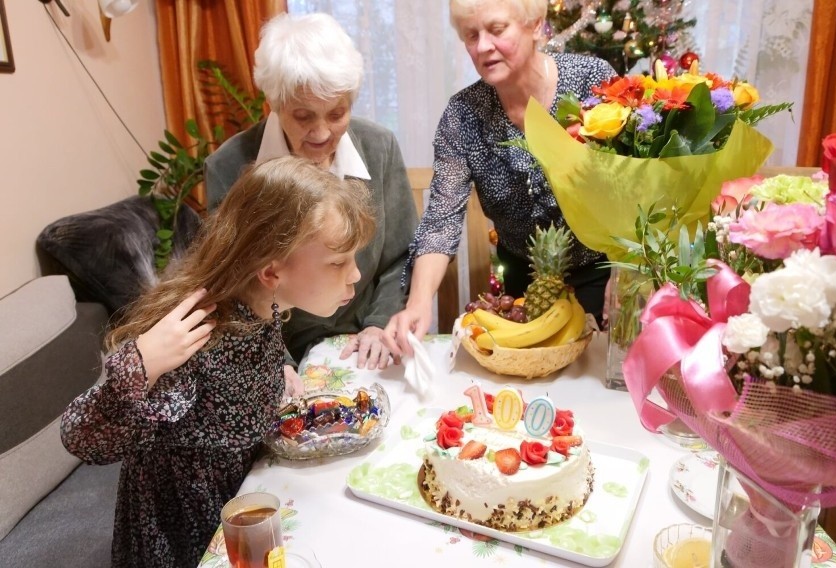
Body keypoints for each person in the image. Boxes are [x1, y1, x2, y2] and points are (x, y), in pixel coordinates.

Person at [60, 156, 375, 568]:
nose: (355, 275)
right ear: (270, 271)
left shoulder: (262, 307)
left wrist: (274, 371)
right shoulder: (199, 338)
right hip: (189, 535)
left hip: (247, 494)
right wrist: (142, 363)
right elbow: (80, 437)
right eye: (338, 262)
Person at [383, 0, 616, 356]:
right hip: (522, 288)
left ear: (536, 25)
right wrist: (417, 302)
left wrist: (629, 277)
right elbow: (441, 221)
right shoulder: (463, 116)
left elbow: (630, 190)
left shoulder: (592, 82)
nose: (482, 47)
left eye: (496, 30)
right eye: (471, 35)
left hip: (602, 277)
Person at [205, 12, 418, 370]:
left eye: (336, 114)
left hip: (366, 335)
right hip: (278, 348)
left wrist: (378, 326)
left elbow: (402, 256)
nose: (321, 132)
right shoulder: (229, 166)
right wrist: (278, 362)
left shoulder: (379, 147)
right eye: (303, 116)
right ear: (273, 103)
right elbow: (234, 284)